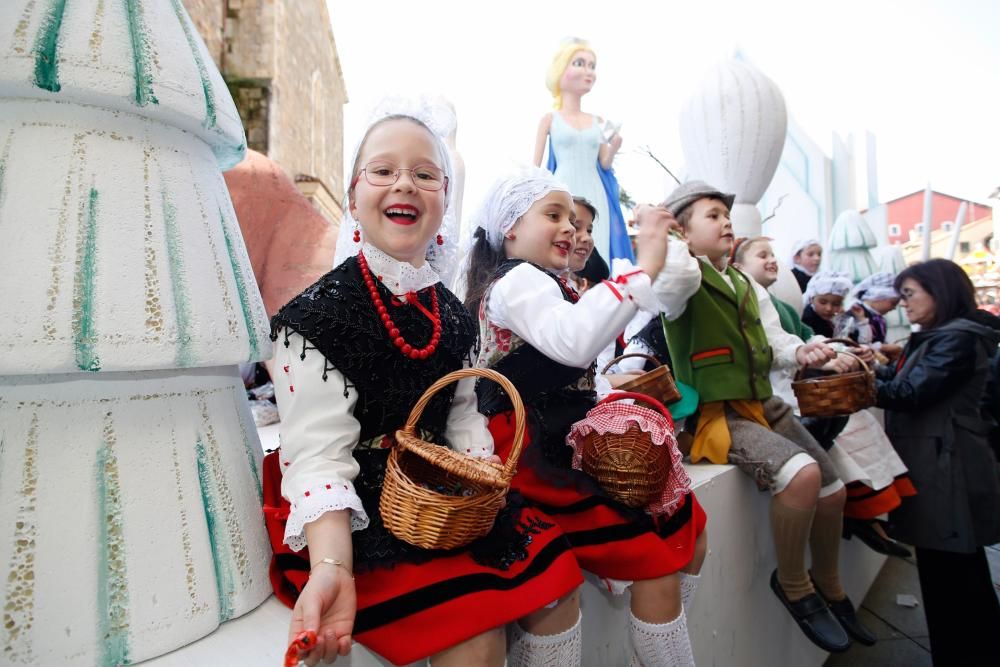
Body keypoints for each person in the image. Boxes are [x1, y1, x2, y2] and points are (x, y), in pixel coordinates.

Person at [262, 104, 583, 666]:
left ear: (444, 197)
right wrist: (332, 566)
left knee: (558, 584)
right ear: (355, 193)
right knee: (478, 636)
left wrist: (481, 477)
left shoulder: (453, 316)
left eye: (425, 174)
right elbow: (317, 457)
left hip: (442, 498)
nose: (404, 183)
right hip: (360, 512)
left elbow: (462, 416)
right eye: (383, 170)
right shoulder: (313, 320)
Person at [465, 165, 707, 666]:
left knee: (686, 525)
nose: (571, 229)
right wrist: (643, 265)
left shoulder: (554, 284)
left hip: (565, 443)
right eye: (554, 215)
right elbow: (573, 342)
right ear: (510, 227)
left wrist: (656, 246)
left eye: (574, 221)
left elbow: (664, 294)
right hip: (531, 454)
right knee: (644, 564)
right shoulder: (516, 283)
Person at [657, 181, 873, 654]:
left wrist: (806, 350)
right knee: (802, 476)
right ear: (683, 231)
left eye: (727, 215)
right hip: (716, 413)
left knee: (834, 491)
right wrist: (669, 241)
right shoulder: (683, 277)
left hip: (761, 403)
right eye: (712, 215)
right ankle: (794, 584)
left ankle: (830, 583)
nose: (726, 222)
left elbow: (776, 341)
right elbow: (669, 281)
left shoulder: (743, 282)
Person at [733, 238, 915, 560]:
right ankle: (863, 517)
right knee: (834, 454)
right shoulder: (737, 307)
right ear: (737, 268)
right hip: (777, 397)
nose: (773, 261)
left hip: (796, 390)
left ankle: (870, 515)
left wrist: (838, 351)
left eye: (774, 254)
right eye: (762, 255)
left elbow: (807, 337)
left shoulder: (782, 308)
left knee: (857, 426)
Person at [875, 259, 1000, 665]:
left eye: (910, 295)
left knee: (951, 570)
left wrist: (861, 375)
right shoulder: (948, 336)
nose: (903, 304)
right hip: (941, 457)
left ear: (939, 293)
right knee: (954, 566)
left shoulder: (955, 340)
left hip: (948, 463)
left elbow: (909, 392)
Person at [533, 38, 633, 263]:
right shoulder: (550, 119)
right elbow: (535, 167)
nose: (588, 71)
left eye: (592, 65)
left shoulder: (598, 121)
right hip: (563, 189)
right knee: (564, 241)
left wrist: (615, 146)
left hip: (595, 191)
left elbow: (604, 163)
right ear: (560, 69)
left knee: (594, 241)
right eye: (579, 63)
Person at [801, 271, 854, 339]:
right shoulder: (806, 320)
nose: (829, 308)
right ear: (811, 299)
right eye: (823, 302)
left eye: (836, 304)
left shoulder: (834, 320)